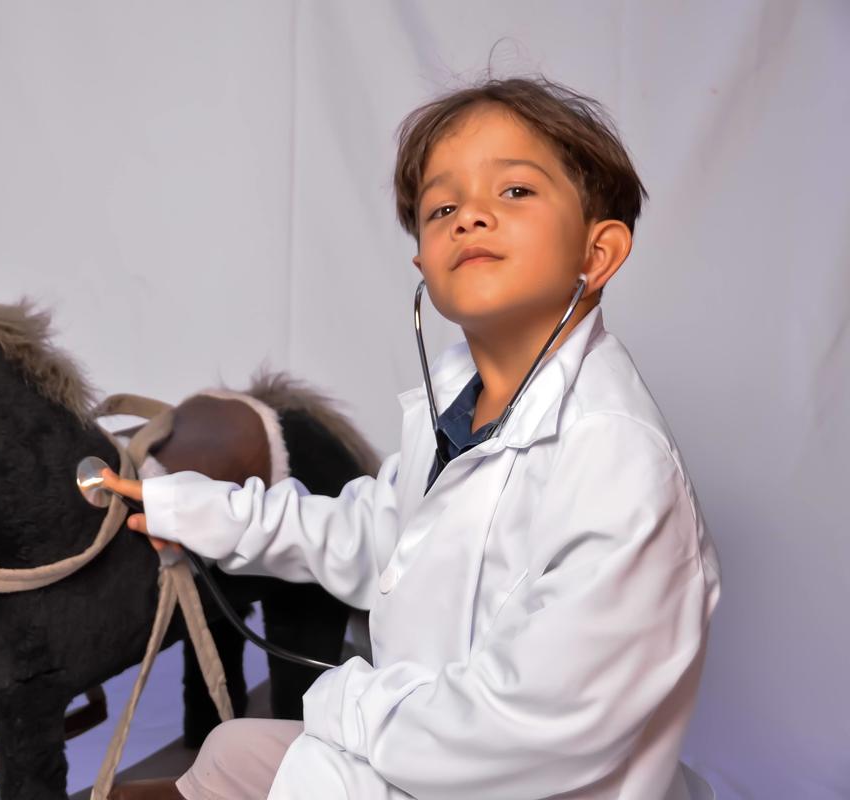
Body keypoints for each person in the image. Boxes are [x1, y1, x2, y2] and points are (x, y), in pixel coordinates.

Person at [103, 76, 721, 800]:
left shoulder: (618, 464)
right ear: (424, 264)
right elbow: (384, 539)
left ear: (599, 251)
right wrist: (195, 511)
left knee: (232, 768)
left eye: (515, 191)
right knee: (225, 754)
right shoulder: (459, 413)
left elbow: (527, 732)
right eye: (442, 208)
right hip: (426, 758)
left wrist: (341, 704)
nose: (471, 217)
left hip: (512, 779)